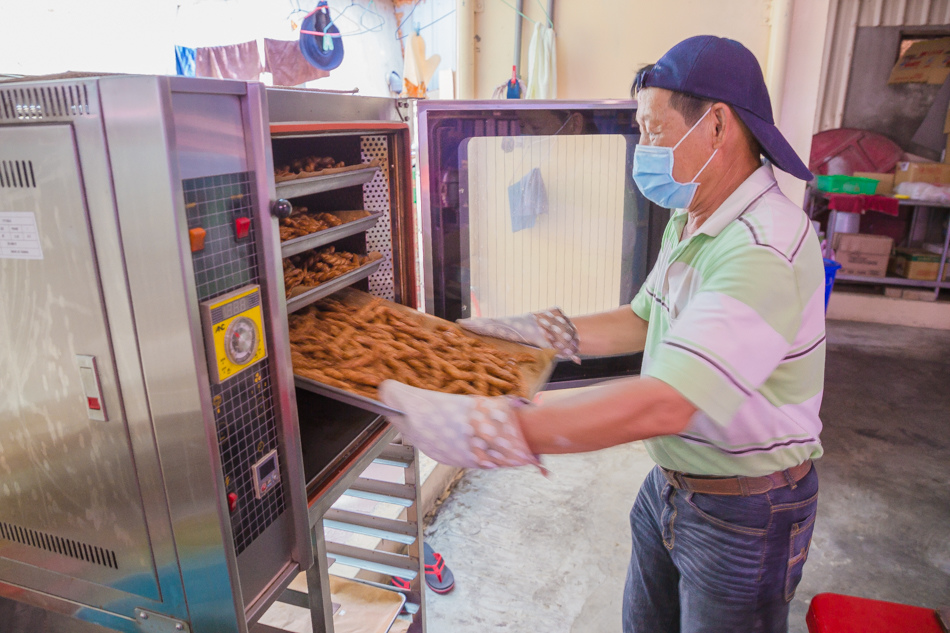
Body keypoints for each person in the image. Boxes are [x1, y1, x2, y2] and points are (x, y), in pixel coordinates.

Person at [379, 35, 825, 633]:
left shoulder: (762, 246)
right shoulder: (696, 217)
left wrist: (503, 430)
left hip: (745, 512)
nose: (644, 147)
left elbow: (667, 402)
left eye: (653, 129)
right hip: (671, 487)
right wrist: (527, 333)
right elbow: (643, 319)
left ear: (716, 127)